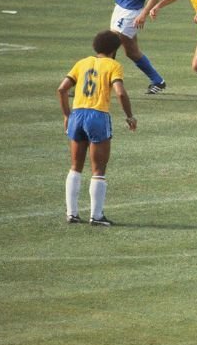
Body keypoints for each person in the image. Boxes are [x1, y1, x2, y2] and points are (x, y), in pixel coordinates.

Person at [57, 30, 137, 227]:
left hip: (77, 114)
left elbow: (62, 88)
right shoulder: (114, 66)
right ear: (114, 50)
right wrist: (129, 116)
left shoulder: (82, 63)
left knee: (75, 166)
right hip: (97, 116)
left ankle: (72, 214)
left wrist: (67, 115)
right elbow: (120, 92)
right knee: (98, 169)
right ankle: (96, 216)